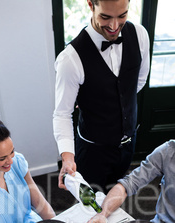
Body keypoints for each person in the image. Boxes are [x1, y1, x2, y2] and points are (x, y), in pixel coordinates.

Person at [53, 0, 150, 192]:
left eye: (122, 15)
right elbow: (62, 114)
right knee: (90, 205)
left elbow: (139, 81)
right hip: (92, 151)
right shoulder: (70, 59)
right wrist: (67, 157)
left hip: (128, 143)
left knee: (115, 194)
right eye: (105, 17)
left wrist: (110, 101)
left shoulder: (140, 35)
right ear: (90, 4)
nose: (114, 26)